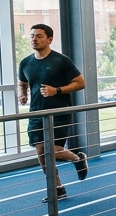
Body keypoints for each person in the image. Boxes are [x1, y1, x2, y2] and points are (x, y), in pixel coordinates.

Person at [18, 23, 89, 202]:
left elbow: (80, 83)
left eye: (39, 36)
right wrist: (23, 95)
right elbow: (23, 82)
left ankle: (77, 158)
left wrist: (56, 90)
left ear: (49, 39)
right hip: (36, 113)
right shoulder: (25, 62)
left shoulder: (61, 61)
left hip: (59, 113)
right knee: (42, 153)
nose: (34, 39)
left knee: (54, 151)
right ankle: (57, 188)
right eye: (32, 35)